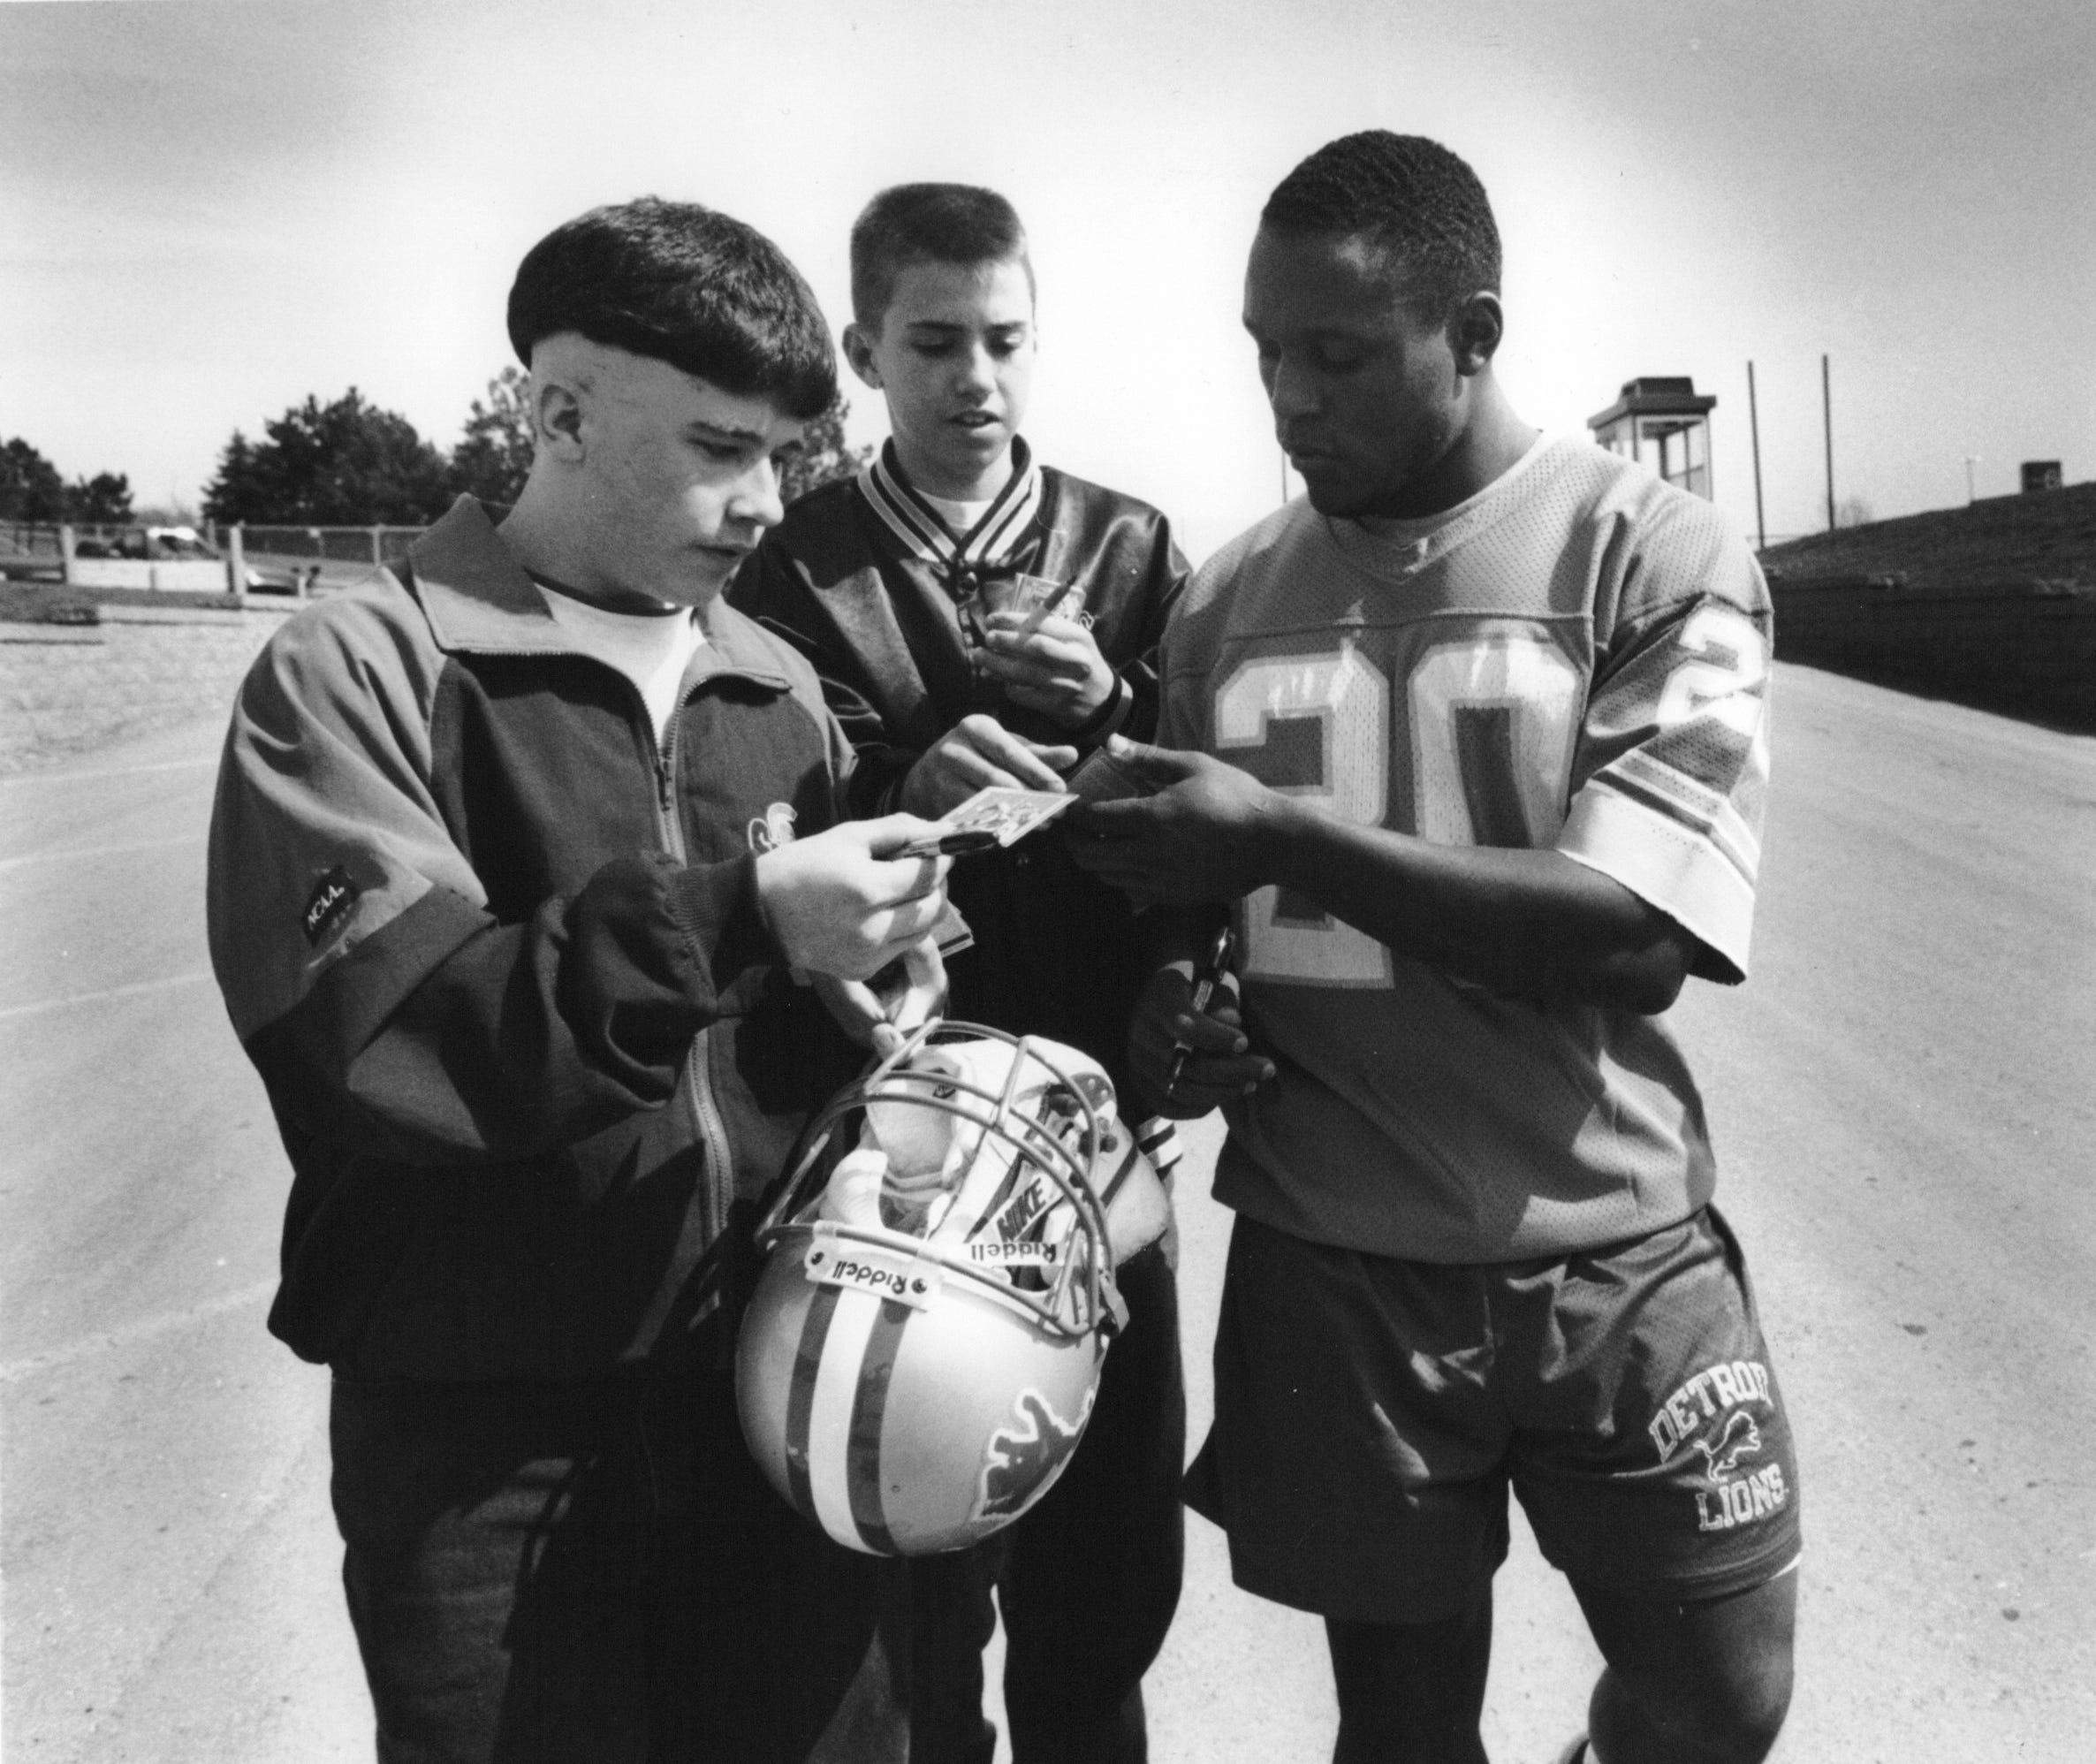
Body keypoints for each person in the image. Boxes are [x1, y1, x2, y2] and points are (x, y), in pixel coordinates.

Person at [1068, 133, 1798, 1764]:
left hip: (1612, 1247)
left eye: (1334, 353)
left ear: (1473, 334)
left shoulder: (1653, 555)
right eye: (1264, 352)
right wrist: (1182, 993)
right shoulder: (1224, 596)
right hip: (1341, 1264)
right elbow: (1199, 913)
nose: (1288, 399)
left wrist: (1281, 840)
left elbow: (1636, 933)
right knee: (1398, 1731)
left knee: (1718, 1703)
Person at [205, 196, 959, 1764]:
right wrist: (747, 915)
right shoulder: (360, 669)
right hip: (489, 1440)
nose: (763, 504)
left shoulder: (783, 691)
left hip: (769, 1398)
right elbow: (394, 1049)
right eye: (717, 446)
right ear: (555, 412)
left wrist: (884, 988)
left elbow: (801, 1038)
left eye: (785, 457)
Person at [731, 182, 1188, 1764]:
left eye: (1004, 340)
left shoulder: (1128, 544)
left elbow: (1198, 796)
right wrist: (898, 792)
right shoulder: (792, 562)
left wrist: (1123, 699)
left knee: (1109, 1565)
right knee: (910, 1559)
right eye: (934, 342)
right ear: (863, 349)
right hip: (886, 1133)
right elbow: (762, 819)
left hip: (1091, 1120)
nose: (974, 376)